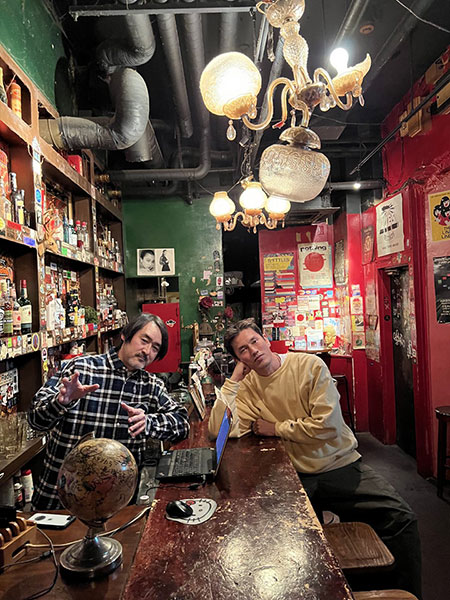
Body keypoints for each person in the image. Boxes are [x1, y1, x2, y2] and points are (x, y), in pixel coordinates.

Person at [208, 318, 422, 599]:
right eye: (243, 350)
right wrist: (234, 380)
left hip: (338, 465)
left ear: (266, 339)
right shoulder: (248, 387)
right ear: (240, 360)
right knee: (275, 538)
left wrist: (277, 428)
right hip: (296, 476)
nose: (253, 351)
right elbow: (219, 430)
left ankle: (403, 593)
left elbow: (328, 426)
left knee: (402, 518)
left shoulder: (309, 365)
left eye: (254, 341)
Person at [28, 313, 190, 509]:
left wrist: (149, 423)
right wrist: (60, 403)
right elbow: (35, 420)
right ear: (125, 335)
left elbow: (182, 424)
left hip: (117, 506)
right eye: (144, 340)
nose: (147, 351)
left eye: (155, 348)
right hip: (59, 503)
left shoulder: (151, 386)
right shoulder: (81, 368)